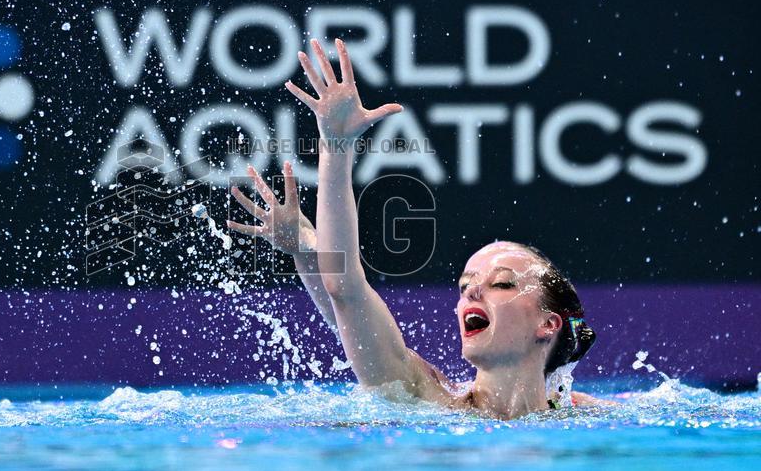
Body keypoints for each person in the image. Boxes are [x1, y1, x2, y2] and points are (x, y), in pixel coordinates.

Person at [227, 38, 600, 420]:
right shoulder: (424, 395)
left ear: (548, 324)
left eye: (501, 283)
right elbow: (346, 294)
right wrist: (336, 148)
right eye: (465, 285)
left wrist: (307, 250)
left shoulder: (587, 415)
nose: (471, 291)